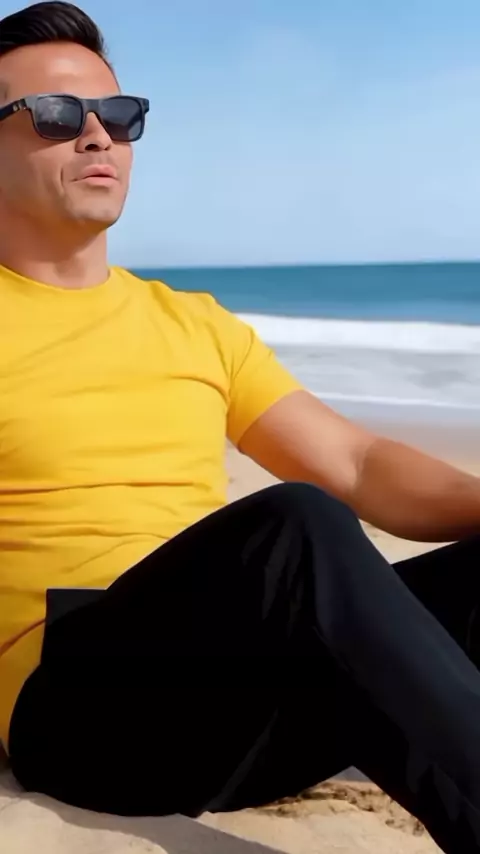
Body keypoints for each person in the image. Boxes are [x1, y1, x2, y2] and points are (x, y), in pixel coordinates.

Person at [1, 2, 480, 851]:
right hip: (78, 710)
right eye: (56, 114)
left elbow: (359, 464)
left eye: (119, 114)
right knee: (296, 523)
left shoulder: (195, 324)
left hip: (238, 711)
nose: (98, 136)